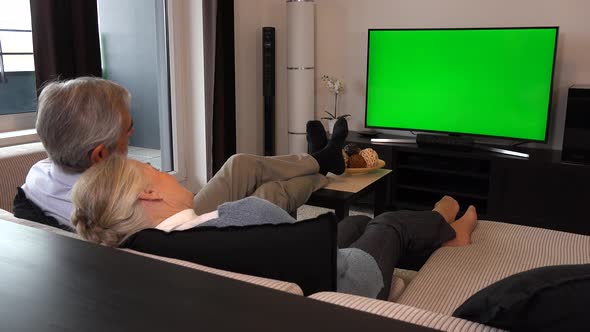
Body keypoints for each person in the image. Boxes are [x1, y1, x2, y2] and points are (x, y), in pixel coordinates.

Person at [71, 153, 478, 299]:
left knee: (354, 221)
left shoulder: (158, 245)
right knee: (386, 223)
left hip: (310, 263)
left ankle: (325, 164)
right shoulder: (241, 218)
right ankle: (446, 225)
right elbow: (294, 240)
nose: (167, 174)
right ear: (149, 195)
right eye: (155, 172)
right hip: (350, 282)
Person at [14, 77, 348, 229]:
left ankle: (319, 158)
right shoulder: (109, 205)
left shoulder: (39, 175)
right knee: (269, 194)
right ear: (99, 155)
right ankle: (322, 164)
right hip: (186, 224)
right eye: (128, 129)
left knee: (240, 163)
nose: (133, 133)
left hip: (182, 209)